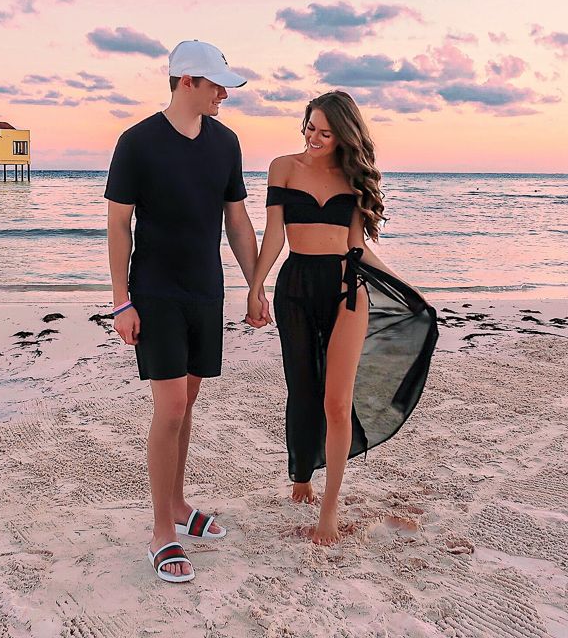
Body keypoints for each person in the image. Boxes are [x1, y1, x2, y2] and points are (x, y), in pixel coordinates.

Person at [106, 40, 269, 583]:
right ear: (186, 83)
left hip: (205, 289)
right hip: (154, 291)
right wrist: (121, 301)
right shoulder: (137, 143)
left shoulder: (226, 142)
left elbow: (238, 221)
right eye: (217, 84)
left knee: (189, 398)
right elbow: (118, 226)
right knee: (171, 404)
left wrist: (255, 285)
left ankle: (177, 502)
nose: (225, 93)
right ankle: (162, 532)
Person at [247, 91, 438, 546]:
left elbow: (358, 246)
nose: (313, 137)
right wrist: (254, 287)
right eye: (310, 127)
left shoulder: (353, 178)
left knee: (337, 402)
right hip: (294, 288)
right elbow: (274, 233)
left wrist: (406, 286)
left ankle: (328, 511)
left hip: (346, 290)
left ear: (343, 135)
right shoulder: (283, 167)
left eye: (325, 132)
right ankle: (301, 475)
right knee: (303, 390)